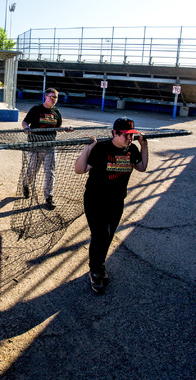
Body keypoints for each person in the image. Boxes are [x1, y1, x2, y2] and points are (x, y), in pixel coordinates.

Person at [74, 117, 148, 294]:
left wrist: (144, 146)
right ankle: (94, 271)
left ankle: (100, 265)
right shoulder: (102, 148)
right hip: (95, 199)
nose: (129, 139)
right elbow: (80, 169)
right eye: (125, 136)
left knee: (108, 236)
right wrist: (87, 148)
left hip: (117, 200)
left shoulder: (132, 150)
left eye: (131, 136)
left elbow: (142, 167)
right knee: (100, 235)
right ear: (115, 133)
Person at [21, 88, 69, 209]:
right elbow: (25, 122)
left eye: (56, 98)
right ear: (46, 97)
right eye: (52, 97)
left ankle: (49, 197)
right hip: (36, 145)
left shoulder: (56, 112)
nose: (54, 100)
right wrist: (26, 128)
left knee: (50, 172)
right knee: (33, 170)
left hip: (50, 145)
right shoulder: (36, 109)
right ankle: (26, 184)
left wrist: (65, 129)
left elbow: (58, 127)